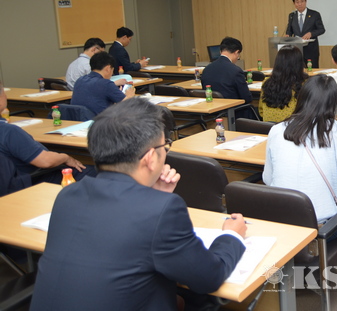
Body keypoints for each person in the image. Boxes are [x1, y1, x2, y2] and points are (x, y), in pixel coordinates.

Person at [31, 98, 247, 310]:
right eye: (165, 146)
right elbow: (208, 278)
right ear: (150, 157)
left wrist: (153, 196)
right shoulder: (162, 210)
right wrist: (232, 235)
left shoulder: (68, 195)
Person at [264, 75, 337, 223]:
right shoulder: (334, 131)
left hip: (280, 222)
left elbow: (268, 179)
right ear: (333, 104)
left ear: (302, 97)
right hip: (320, 227)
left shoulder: (276, 130)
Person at [0, 81, 92, 190]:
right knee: (92, 172)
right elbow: (45, 161)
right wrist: (65, 157)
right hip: (33, 182)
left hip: (10, 184)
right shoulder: (9, 132)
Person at [71, 51, 136, 116]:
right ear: (108, 68)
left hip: (78, 120)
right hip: (100, 120)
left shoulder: (80, 80)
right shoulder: (106, 84)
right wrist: (129, 96)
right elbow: (127, 105)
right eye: (112, 70)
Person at [201, 37, 253, 113]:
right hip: (234, 112)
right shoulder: (236, 71)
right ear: (236, 52)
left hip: (213, 111)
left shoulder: (207, 69)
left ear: (221, 51)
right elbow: (247, 98)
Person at [259, 45, 307, 122]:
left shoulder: (266, 83)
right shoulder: (304, 84)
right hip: (293, 127)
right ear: (300, 64)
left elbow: (261, 111)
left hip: (268, 127)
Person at [285, 0, 326, 68]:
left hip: (311, 50)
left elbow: (321, 29)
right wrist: (288, 35)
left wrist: (311, 33)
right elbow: (289, 29)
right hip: (296, 50)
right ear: (294, 3)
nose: (300, 4)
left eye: (302, 1)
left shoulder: (314, 14)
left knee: (312, 72)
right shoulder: (292, 15)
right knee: (297, 72)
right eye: (297, 2)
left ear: (306, 1)